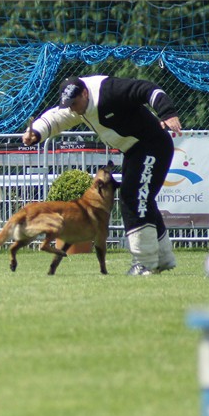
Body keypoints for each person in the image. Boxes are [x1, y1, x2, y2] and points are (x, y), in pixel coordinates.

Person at [22, 75, 182, 275]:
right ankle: (162, 259)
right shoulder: (78, 104)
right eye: (69, 105)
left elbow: (146, 88)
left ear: (85, 93)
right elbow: (56, 117)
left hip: (153, 145)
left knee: (134, 197)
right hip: (134, 150)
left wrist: (167, 112)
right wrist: (36, 133)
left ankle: (145, 263)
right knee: (142, 198)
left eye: (75, 103)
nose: (72, 109)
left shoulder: (109, 91)